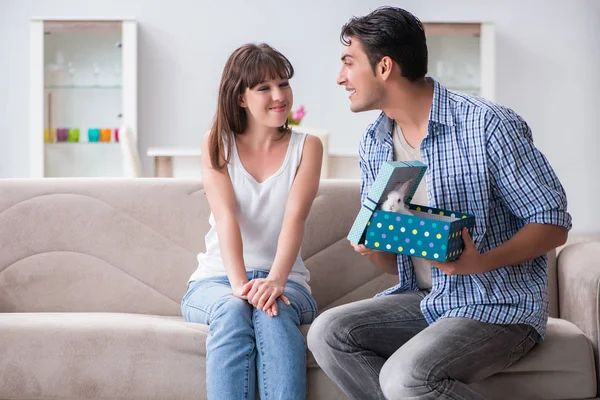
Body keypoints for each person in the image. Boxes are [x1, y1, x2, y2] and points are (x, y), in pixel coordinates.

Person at [307, 6, 571, 400]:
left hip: (497, 304)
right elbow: (395, 261)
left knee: (405, 377)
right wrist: (372, 245)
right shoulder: (375, 142)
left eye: (348, 63)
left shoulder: (488, 125)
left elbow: (552, 222)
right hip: (428, 298)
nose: (340, 77)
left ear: (384, 68)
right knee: (328, 333)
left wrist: (481, 261)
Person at [181, 43, 323, 400]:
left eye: (283, 84)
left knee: (273, 316)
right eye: (264, 88)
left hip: (287, 280)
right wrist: (243, 288)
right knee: (232, 309)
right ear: (240, 97)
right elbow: (226, 216)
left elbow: (296, 217)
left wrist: (274, 281)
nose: (279, 96)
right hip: (217, 280)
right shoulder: (217, 143)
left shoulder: (308, 147)